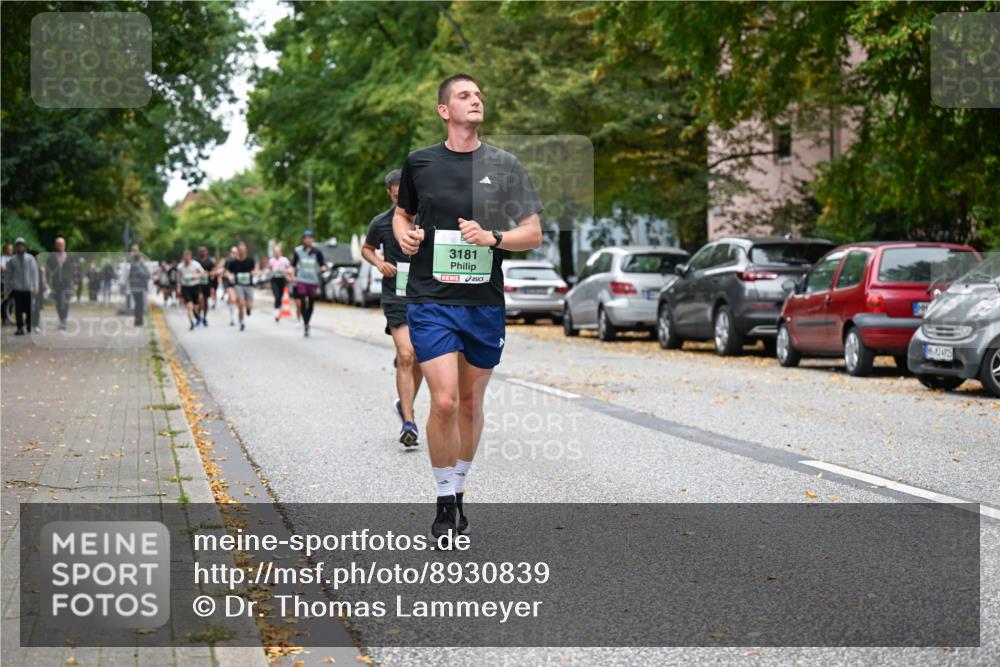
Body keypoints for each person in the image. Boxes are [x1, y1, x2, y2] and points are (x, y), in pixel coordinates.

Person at [393, 74, 543, 541]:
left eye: (478, 94)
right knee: (444, 401)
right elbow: (403, 214)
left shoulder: (505, 164)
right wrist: (405, 236)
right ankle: (442, 502)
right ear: (445, 111)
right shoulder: (420, 162)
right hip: (431, 298)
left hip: (482, 302)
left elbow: (533, 232)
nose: (475, 99)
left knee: (470, 402)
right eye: (464, 95)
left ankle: (458, 490)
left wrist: (493, 237)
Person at [363, 169, 423, 447]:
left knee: (420, 357)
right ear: (389, 194)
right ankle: (409, 423)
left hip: (424, 295)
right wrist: (379, 263)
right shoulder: (382, 222)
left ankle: (404, 403)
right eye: (397, 195)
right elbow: (367, 248)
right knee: (406, 354)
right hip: (396, 295)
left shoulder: (426, 218)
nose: (402, 199)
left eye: (406, 194)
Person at [290, 230, 325, 338]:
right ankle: (306, 323)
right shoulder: (298, 251)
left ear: (313, 239)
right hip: (301, 280)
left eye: (310, 238)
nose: (308, 240)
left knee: (311, 302)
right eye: (306, 238)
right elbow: (293, 266)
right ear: (303, 240)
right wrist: (292, 276)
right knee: (302, 300)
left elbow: (322, 265)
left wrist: (323, 269)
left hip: (313, 281)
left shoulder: (317, 252)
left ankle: (307, 321)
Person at [4, 238, 40, 335]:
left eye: (21, 246)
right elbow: (8, 276)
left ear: (24, 246)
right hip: (17, 288)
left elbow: (35, 273)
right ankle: (19, 327)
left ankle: (29, 324)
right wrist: (6, 290)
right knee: (18, 309)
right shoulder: (12, 260)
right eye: (18, 246)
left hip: (29, 288)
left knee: (29, 308)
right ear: (16, 247)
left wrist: (36, 286)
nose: (20, 248)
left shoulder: (30, 259)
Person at [46, 237, 77, 330]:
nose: (60, 246)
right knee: (58, 303)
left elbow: (74, 271)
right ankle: (61, 318)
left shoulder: (70, 257)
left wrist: (75, 282)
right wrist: (47, 283)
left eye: (62, 244)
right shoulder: (51, 257)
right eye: (58, 244)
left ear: (65, 245)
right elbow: (48, 271)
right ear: (56, 245)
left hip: (67, 284)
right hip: (56, 284)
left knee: (65, 303)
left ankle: (63, 320)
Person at [225, 242, 257, 332]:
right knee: (241, 303)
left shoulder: (250, 260)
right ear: (238, 251)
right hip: (238, 285)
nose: (242, 251)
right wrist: (230, 276)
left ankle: (248, 309)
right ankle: (242, 322)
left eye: (243, 250)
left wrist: (254, 272)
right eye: (240, 250)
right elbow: (227, 271)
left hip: (249, 285)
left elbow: (255, 269)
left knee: (249, 305)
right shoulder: (234, 262)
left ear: (246, 250)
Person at [176, 249, 205, 330]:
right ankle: (192, 322)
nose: (186, 259)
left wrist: (197, 276)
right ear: (183, 257)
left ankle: (196, 314)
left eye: (188, 257)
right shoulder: (180, 266)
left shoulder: (196, 264)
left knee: (196, 305)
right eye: (185, 257)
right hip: (185, 287)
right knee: (189, 306)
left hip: (195, 286)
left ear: (190, 257)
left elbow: (203, 273)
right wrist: (178, 288)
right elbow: (178, 278)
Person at [127, 245, 150, 326]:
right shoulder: (137, 265)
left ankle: (138, 320)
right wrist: (143, 265)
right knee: (139, 304)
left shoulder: (132, 264)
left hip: (135, 287)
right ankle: (139, 320)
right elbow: (145, 275)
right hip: (139, 287)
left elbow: (130, 276)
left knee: (138, 304)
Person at [269, 244, 291, 322]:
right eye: (275, 252)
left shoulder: (285, 260)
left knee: (280, 296)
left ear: (280, 252)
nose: (277, 253)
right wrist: (271, 272)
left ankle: (278, 309)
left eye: (278, 251)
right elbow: (269, 269)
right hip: (274, 279)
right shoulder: (271, 260)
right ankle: (276, 313)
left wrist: (285, 271)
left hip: (282, 279)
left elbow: (289, 269)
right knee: (277, 296)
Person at [196, 245, 216, 326]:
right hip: (198, 284)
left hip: (207, 284)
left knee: (205, 301)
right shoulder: (196, 262)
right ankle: (198, 317)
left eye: (203, 251)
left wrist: (209, 274)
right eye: (200, 251)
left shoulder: (210, 262)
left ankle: (204, 317)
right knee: (200, 300)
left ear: (206, 252)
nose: (202, 252)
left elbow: (213, 273)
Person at [1, 243, 13, 325]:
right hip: (3, 282)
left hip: (13, 283)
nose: (10, 250)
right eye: (9, 249)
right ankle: (4, 318)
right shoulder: (2, 258)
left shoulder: (14, 258)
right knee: (5, 300)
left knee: (11, 300)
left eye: (11, 249)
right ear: (5, 250)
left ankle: (9, 316)